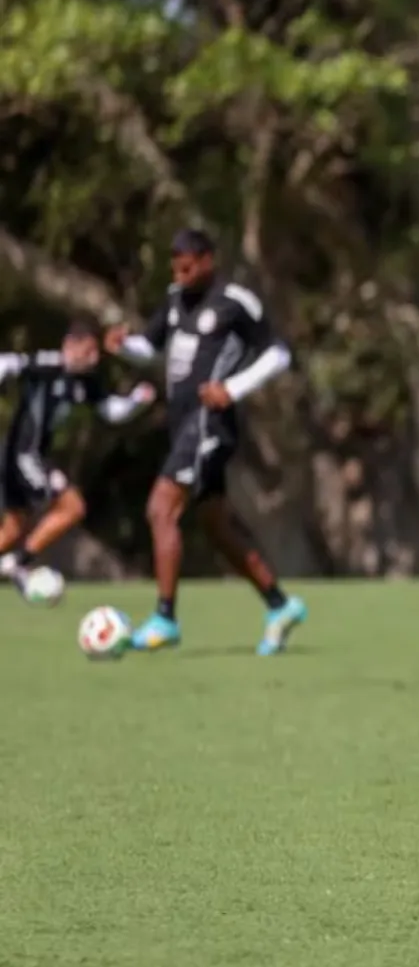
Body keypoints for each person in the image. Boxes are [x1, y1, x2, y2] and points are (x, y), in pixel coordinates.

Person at [105, 229, 308, 655]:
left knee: (161, 508)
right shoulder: (176, 298)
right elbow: (151, 346)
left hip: (209, 423)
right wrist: (124, 346)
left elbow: (278, 355)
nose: (180, 274)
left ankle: (164, 618)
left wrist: (231, 389)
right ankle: (280, 605)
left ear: (208, 260)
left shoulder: (235, 301)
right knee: (216, 527)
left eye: (188, 266)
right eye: (175, 267)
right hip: (182, 425)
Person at [0, 319, 155, 593]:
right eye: (89, 351)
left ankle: (16, 560)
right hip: (23, 454)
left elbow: (110, 411)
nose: (94, 358)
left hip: (27, 457)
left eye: (96, 352)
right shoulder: (49, 364)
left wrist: (135, 400)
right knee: (73, 507)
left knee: (13, 529)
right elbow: (8, 363)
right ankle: (18, 563)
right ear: (70, 346)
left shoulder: (86, 381)